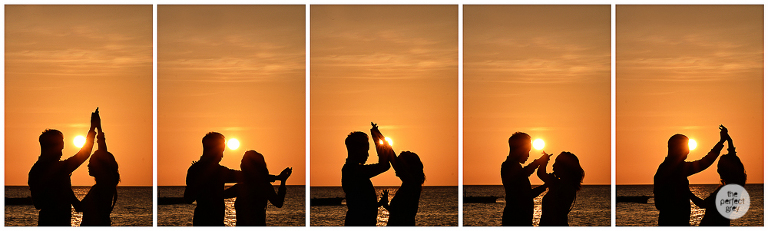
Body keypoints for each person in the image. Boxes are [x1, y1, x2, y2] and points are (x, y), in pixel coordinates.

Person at [184, 132, 283, 226]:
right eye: (221, 151)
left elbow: (188, 198)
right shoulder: (219, 171)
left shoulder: (194, 170)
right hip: (215, 223)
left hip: (200, 222)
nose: (222, 155)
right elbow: (247, 176)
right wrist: (278, 178)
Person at [28, 109, 99, 226]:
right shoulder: (58, 169)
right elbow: (84, 153)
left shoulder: (35, 171)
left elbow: (38, 203)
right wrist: (92, 129)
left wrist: (74, 201)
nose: (62, 151)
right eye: (60, 148)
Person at [654, 126, 726, 226]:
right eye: (685, 148)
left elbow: (659, 203)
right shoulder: (674, 168)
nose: (688, 151)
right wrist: (721, 142)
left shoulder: (664, 168)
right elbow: (704, 163)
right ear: (677, 149)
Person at [689, 125, 745, 226]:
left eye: (719, 166)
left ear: (725, 170)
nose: (717, 169)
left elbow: (703, 204)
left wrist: (687, 192)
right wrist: (728, 140)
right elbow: (733, 158)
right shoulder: (737, 185)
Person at [223, 150, 291, 226]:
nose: (241, 163)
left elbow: (220, 195)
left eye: (243, 161)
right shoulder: (264, 186)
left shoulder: (240, 188)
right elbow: (279, 203)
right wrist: (282, 181)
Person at [373, 125, 424, 226]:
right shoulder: (408, 186)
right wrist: (386, 204)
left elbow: (393, 159)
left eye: (401, 163)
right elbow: (400, 212)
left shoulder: (411, 184)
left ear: (408, 167)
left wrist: (379, 135)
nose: (397, 167)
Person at [342, 123, 391, 226]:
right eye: (366, 150)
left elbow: (360, 205)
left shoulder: (352, 170)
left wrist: (378, 204)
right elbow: (384, 165)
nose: (367, 154)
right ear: (357, 150)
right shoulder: (352, 170)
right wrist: (377, 138)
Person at [77, 109, 120, 226]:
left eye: (90, 162)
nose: (88, 165)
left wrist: (97, 128)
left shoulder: (106, 186)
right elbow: (80, 207)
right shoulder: (98, 187)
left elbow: (103, 153)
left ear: (100, 166)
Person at [501, 132, 548, 226]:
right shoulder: (509, 166)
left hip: (520, 219)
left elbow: (524, 174)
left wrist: (538, 162)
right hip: (516, 219)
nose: (528, 155)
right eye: (527, 151)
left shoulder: (511, 166)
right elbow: (526, 194)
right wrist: (545, 186)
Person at [537, 151, 585, 226]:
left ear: (564, 166)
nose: (553, 165)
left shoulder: (561, 185)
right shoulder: (563, 184)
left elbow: (540, 173)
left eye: (556, 163)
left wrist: (545, 161)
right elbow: (541, 173)